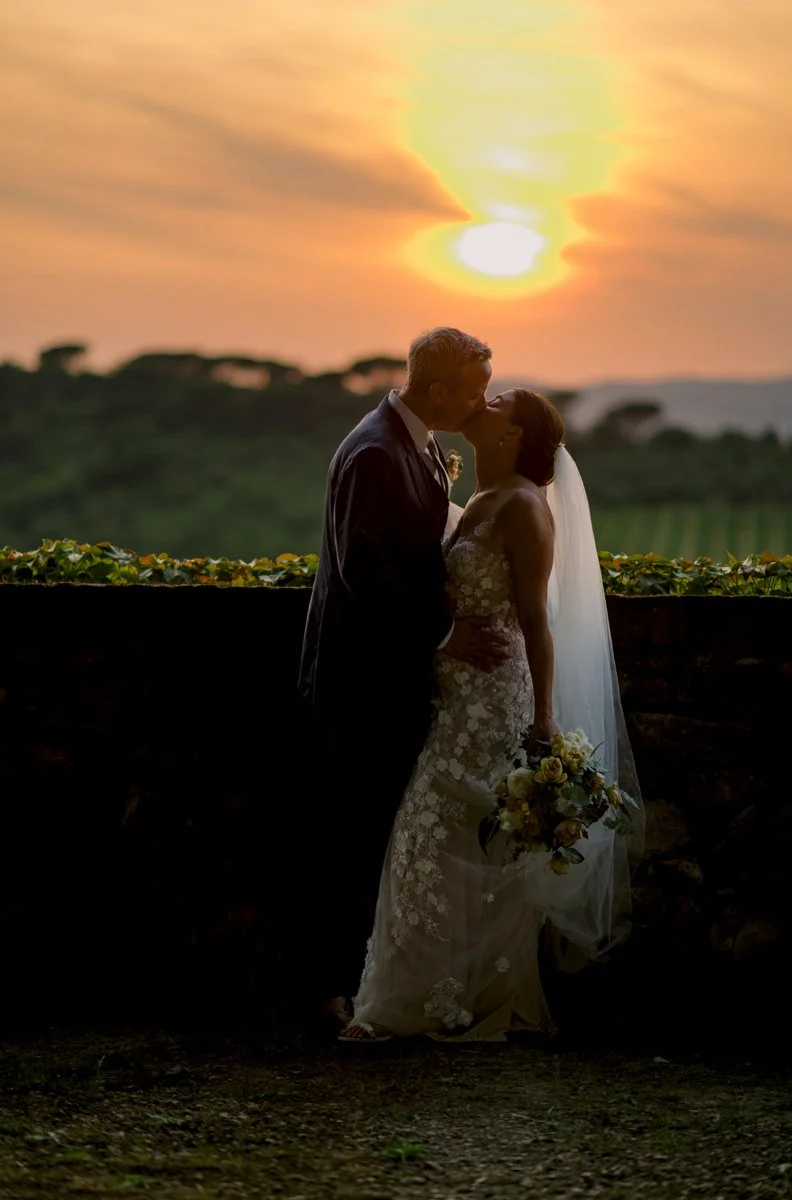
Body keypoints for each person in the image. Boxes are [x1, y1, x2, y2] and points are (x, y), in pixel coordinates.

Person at [340, 389, 644, 1043]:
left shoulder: (528, 508)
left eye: (501, 399)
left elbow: (538, 620)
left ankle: (429, 1004)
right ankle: (423, 998)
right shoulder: (476, 498)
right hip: (450, 698)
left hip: (493, 700)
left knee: (451, 839)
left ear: (515, 435)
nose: (487, 397)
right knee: (434, 841)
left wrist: (543, 716)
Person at [296, 327, 509, 1030]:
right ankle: (326, 990)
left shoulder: (409, 442)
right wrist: (445, 635)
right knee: (349, 833)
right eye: (473, 390)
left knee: (375, 830)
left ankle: (358, 980)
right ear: (438, 388)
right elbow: (365, 573)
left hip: (390, 676)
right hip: (362, 682)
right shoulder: (375, 451)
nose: (480, 403)